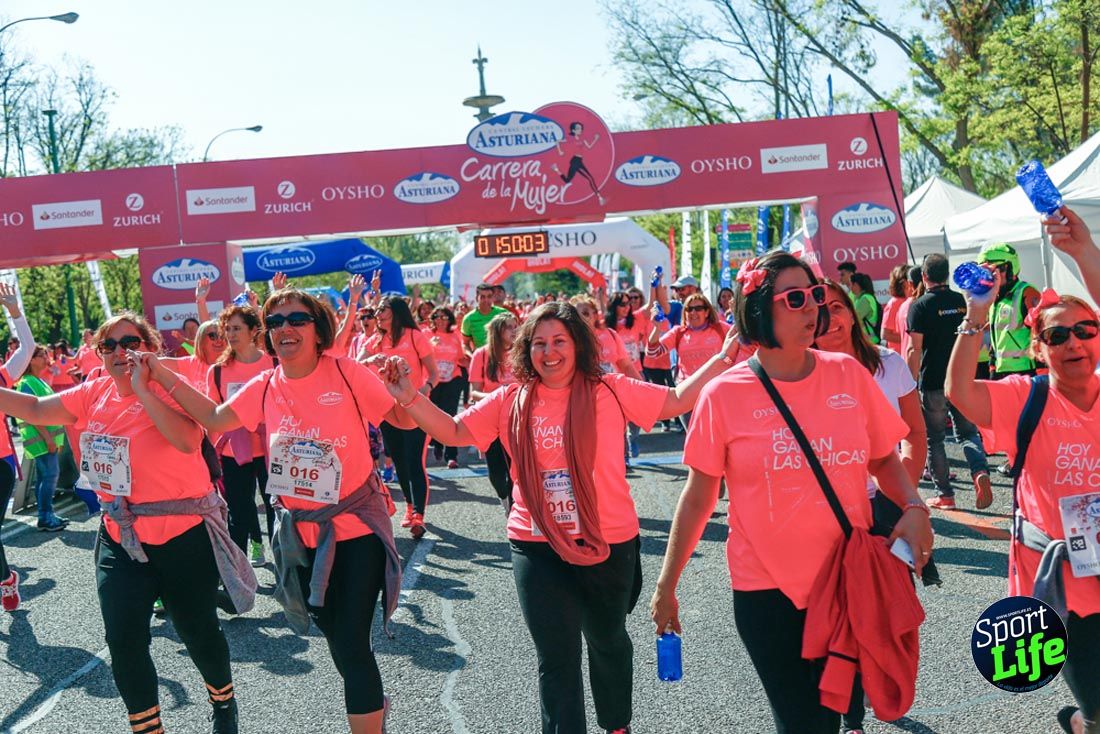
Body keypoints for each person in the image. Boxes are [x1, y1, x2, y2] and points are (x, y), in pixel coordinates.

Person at [381, 300, 742, 734]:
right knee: (556, 657)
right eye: (538, 343)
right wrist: (409, 396)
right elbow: (454, 431)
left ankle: (616, 725)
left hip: (608, 540)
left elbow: (676, 399)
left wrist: (724, 358)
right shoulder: (510, 399)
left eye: (559, 342)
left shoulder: (610, 389)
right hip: (535, 543)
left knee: (607, 641)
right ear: (525, 349)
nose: (549, 352)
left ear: (578, 345)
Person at [651, 251, 933, 734]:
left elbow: (883, 457)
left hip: (847, 581)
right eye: (796, 298)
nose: (813, 307)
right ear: (760, 309)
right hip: (767, 594)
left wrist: (913, 505)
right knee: (804, 721)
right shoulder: (723, 395)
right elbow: (698, 497)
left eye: (816, 295)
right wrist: (666, 584)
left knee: (832, 715)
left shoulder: (848, 374)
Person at [147, 289, 401, 734]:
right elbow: (216, 417)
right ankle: (373, 704)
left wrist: (406, 393)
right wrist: (161, 377)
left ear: (318, 330)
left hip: (357, 527)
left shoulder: (346, 372)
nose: (286, 328)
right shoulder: (265, 385)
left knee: (351, 639)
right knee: (331, 630)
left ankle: (367, 721)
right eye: (276, 321)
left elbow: (401, 418)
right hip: (299, 535)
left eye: (297, 319)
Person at [0, 311, 254, 733]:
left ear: (149, 348)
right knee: (123, 640)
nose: (120, 352)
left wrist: (143, 390)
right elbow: (34, 408)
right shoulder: (93, 392)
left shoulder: (172, 386)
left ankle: (223, 702)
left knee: (198, 632)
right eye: (110, 345)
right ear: (100, 354)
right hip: (122, 536)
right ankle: (148, 728)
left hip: (183, 536)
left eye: (130, 343)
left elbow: (187, 440)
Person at [946, 275, 1099, 734]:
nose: (1073, 342)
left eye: (1085, 330)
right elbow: (959, 392)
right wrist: (975, 316)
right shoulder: (1025, 396)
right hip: (1064, 580)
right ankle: (1082, 722)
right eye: (1057, 335)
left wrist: (1084, 251)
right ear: (1037, 348)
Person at [815, 279, 930, 734]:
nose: (830, 318)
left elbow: (914, 433)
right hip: (827, 513)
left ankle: (876, 685)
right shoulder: (798, 374)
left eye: (837, 306)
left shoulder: (888, 363)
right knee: (841, 612)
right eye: (819, 310)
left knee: (885, 608)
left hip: (884, 507)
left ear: (852, 311)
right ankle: (852, 717)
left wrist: (906, 498)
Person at [907, 253, 992, 510]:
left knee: (935, 439)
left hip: (933, 381)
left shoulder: (919, 306)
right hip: (961, 378)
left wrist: (910, 384)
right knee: (968, 432)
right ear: (946, 275)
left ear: (924, 276)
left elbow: (914, 349)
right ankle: (979, 471)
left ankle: (945, 495)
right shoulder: (961, 301)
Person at [360, 296, 438, 539]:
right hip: (387, 410)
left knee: (415, 460)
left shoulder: (415, 336)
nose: (377, 314)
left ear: (396, 311)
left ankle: (419, 515)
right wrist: (369, 360)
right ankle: (409, 505)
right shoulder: (376, 340)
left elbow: (433, 373)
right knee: (400, 461)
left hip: (416, 408)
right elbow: (355, 366)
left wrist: (423, 391)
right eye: (376, 310)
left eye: (382, 309)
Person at [207, 305, 275, 566]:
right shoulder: (218, 371)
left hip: (271, 449)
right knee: (238, 512)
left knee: (276, 509)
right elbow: (213, 414)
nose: (231, 334)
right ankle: (238, 572)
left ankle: (285, 570)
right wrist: (208, 456)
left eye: (237, 328)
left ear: (254, 330)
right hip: (233, 451)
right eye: (228, 329)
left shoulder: (274, 363)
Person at [648, 292, 735, 430]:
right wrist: (656, 327)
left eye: (698, 308)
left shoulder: (721, 329)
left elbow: (743, 344)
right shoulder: (678, 332)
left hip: (716, 392)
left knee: (718, 435)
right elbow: (652, 352)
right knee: (694, 437)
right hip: (687, 394)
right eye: (689, 309)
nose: (693, 312)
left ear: (707, 312)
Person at [0, 282, 34, 612]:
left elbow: (27, 348)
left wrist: (14, 312)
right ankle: (6, 578)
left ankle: (6, 580)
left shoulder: (2, 376)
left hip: (1, 464)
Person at [469, 312, 519, 512]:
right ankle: (504, 498)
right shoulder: (481, 354)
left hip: (518, 418)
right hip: (491, 420)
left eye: (516, 326)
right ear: (498, 331)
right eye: (509, 327)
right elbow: (474, 392)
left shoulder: (522, 353)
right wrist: (500, 396)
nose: (515, 331)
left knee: (517, 467)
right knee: (497, 472)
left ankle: (516, 508)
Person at [16, 346, 69, 531]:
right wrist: (48, 439)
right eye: (42, 355)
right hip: (41, 440)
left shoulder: (38, 381)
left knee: (44, 477)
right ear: (31, 360)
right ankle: (45, 517)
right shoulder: (27, 383)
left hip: (45, 439)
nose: (47, 358)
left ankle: (46, 514)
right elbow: (31, 414)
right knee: (50, 477)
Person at [978, 243, 1041, 379]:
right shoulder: (994, 298)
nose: (992, 275)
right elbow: (996, 338)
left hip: (1027, 371)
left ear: (1010, 268)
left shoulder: (1027, 292)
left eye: (998, 269)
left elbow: (1042, 333)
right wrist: (992, 366)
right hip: (1000, 371)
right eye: (986, 272)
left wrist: (1042, 371)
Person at [427, 306, 466, 469]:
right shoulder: (427, 335)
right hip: (433, 381)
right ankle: (437, 443)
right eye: (437, 317)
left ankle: (452, 455)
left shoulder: (455, 336)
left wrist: (471, 361)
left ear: (450, 319)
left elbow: (461, 357)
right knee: (435, 415)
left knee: (450, 416)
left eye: (444, 317)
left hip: (452, 380)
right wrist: (430, 345)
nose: (441, 320)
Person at [551, 121, 605, 205]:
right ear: (573, 130)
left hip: (579, 161)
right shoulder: (570, 138)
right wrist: (560, 151)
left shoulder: (582, 138)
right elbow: (557, 141)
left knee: (568, 180)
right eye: (578, 128)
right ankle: (600, 197)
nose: (580, 130)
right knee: (589, 178)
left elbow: (589, 147)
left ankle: (556, 169)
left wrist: (595, 139)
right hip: (575, 161)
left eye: (581, 128)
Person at [460, 283, 510, 352]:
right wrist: (472, 356)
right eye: (482, 297)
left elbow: (513, 336)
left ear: (492, 298)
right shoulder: (468, 318)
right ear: (476, 298)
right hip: (480, 356)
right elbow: (465, 344)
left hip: (501, 356)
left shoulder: (504, 313)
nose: (486, 300)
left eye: (489, 296)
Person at [881, 264, 910, 353]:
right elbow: (885, 334)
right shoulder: (894, 303)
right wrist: (909, 338)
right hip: (899, 355)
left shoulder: (911, 300)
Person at [849, 273, 881, 345]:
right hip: (867, 341)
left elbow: (854, 318)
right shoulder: (860, 299)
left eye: (851, 284)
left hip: (870, 342)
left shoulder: (865, 299)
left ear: (856, 285)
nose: (850, 288)